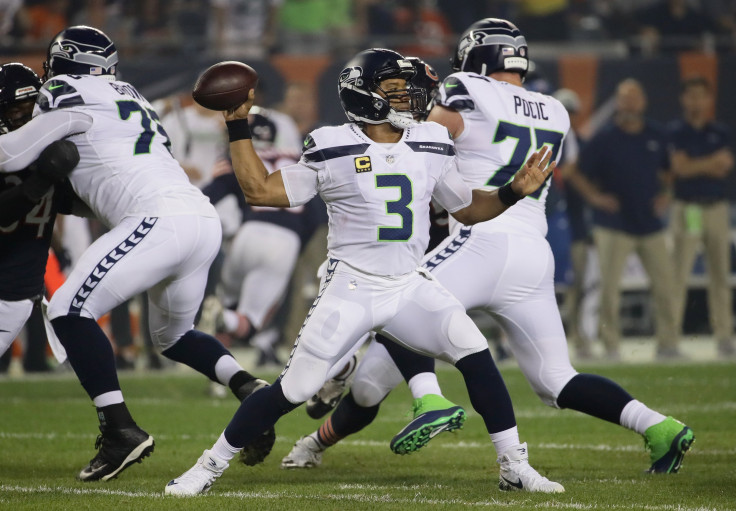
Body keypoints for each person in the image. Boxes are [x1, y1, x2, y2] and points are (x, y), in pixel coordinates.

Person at [281, 19, 694, 477]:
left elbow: (423, 129)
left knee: (391, 303)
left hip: (480, 240)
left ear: (476, 55)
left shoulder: (468, 89)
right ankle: (659, 427)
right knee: (556, 379)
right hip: (532, 253)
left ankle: (392, 386)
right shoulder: (554, 108)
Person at [165, 47, 564, 496]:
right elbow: (260, 190)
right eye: (395, 91)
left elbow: (469, 209)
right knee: (293, 390)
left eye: (410, 90)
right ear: (363, 94)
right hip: (351, 286)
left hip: (410, 282)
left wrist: (512, 191)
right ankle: (206, 467)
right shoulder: (332, 143)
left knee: (474, 353)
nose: (410, 99)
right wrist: (237, 125)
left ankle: (513, 465)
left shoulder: (432, 141)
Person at [0, 26, 273, 481]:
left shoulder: (68, 95)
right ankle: (249, 389)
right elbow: (98, 186)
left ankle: (120, 430)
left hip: (157, 221)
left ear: (65, 63)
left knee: (68, 308)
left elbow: (10, 155)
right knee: (174, 336)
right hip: (199, 219)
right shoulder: (132, 99)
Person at [573, 78, 681, 360]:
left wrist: (666, 194)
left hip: (650, 223)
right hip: (613, 224)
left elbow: (670, 170)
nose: (630, 104)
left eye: (634, 98)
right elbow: (574, 171)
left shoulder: (657, 134)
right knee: (609, 290)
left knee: (666, 287)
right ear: (618, 104)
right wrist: (595, 198)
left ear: (643, 102)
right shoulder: (605, 137)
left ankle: (668, 344)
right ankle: (611, 346)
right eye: (624, 99)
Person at [0, 62, 82, 369]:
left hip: (13, 293)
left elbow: (70, 203)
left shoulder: (56, 148)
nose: (23, 117)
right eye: (14, 110)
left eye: (29, 107)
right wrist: (40, 181)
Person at [668, 77, 734, 356]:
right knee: (678, 275)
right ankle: (669, 339)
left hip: (717, 207)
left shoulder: (721, 132)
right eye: (691, 96)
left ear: (709, 100)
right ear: (684, 99)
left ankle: (724, 337)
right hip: (688, 207)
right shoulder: (675, 132)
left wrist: (694, 165)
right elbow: (679, 170)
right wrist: (708, 163)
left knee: (720, 275)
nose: (696, 102)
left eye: (701, 96)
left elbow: (725, 167)